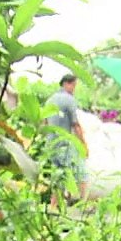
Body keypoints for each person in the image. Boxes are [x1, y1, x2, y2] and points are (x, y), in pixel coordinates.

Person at [45, 73, 88, 207]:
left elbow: (45, 123)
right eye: (74, 85)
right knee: (81, 171)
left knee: (58, 176)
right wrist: (83, 144)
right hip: (64, 144)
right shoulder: (69, 100)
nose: (74, 89)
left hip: (51, 144)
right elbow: (75, 125)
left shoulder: (50, 100)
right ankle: (83, 203)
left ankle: (53, 205)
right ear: (67, 84)